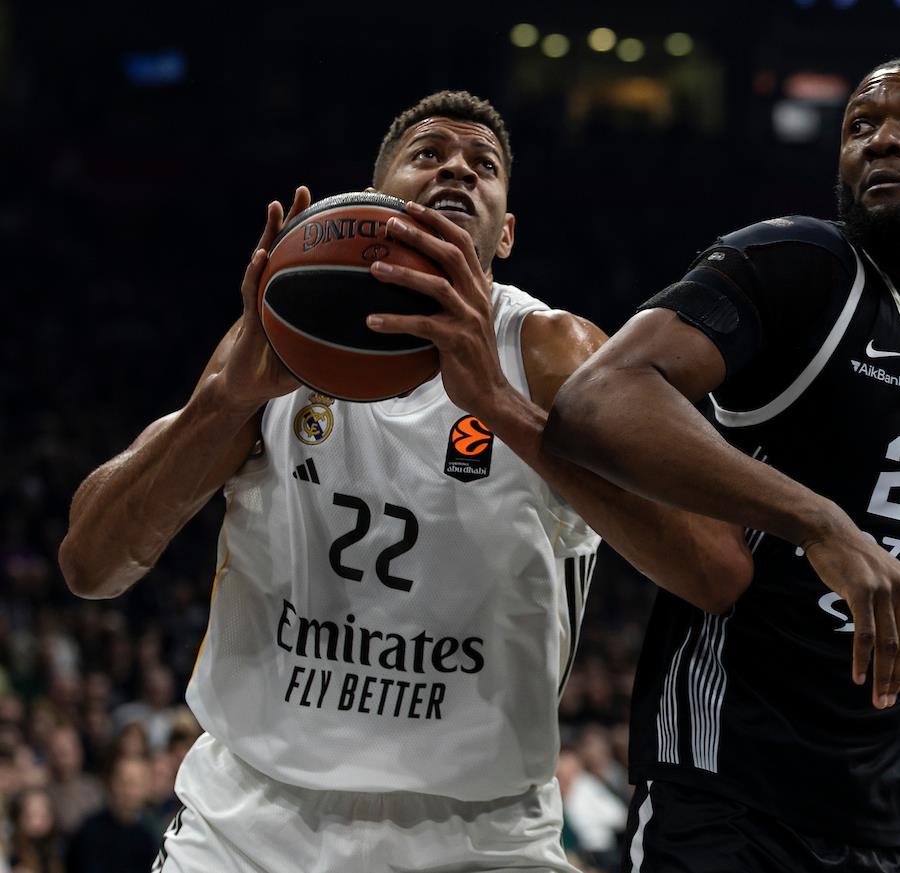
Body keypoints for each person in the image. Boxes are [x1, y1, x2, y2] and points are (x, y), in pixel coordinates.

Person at [57, 91, 753, 872]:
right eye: (428, 154)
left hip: (478, 835)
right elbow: (91, 564)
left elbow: (714, 568)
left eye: (483, 165)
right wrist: (222, 402)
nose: (457, 166)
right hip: (250, 824)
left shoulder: (550, 352)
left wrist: (498, 403)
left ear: (507, 233)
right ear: (374, 203)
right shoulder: (289, 335)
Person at [546, 58, 900, 872]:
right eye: (858, 126)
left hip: (896, 819)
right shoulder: (800, 268)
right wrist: (817, 520)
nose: (880, 139)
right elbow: (597, 400)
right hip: (734, 797)